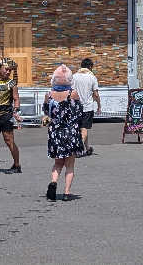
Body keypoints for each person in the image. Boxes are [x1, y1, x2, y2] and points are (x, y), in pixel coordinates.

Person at [42, 64, 83, 201]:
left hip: (55, 132)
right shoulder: (73, 94)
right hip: (70, 132)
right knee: (70, 165)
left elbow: (46, 111)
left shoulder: (49, 95)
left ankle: (53, 183)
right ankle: (66, 192)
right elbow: (79, 112)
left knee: (58, 163)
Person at [72, 58, 101, 156]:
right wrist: (99, 106)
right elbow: (96, 94)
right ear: (90, 67)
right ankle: (78, 150)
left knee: (82, 128)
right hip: (87, 107)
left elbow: (70, 91)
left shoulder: (74, 76)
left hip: (75, 107)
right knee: (84, 128)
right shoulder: (92, 77)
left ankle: (87, 148)